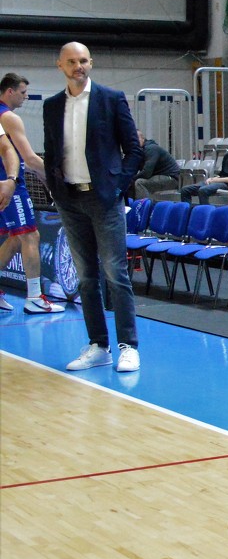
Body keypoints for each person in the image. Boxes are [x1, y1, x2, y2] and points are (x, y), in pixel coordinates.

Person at [43, 42, 145, 372]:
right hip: (70, 201)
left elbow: (134, 150)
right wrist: (56, 190)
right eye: (72, 61)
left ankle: (129, 346)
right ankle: (98, 345)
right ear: (60, 65)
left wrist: (116, 188)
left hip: (104, 199)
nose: (79, 66)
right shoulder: (52, 105)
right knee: (86, 278)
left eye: (84, 60)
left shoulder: (111, 99)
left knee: (116, 274)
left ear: (91, 63)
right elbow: (50, 152)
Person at [0, 72, 66, 314]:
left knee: (14, 237)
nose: (26, 97)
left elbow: (18, 157)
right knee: (30, 235)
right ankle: (35, 297)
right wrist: (58, 179)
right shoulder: (9, 118)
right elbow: (28, 158)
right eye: (23, 92)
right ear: (10, 91)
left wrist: (42, 176)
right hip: (10, 186)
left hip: (6, 182)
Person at [180, 128, 228, 203]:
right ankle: (188, 210)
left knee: (203, 190)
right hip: (220, 181)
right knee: (185, 190)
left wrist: (217, 180)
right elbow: (222, 174)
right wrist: (212, 179)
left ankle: (205, 210)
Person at [132, 130, 181, 198]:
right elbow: (133, 169)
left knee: (139, 183)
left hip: (170, 178)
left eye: (136, 138)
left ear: (143, 139)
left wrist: (132, 179)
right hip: (158, 176)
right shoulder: (139, 152)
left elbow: (147, 173)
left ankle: (144, 204)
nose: (134, 141)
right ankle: (130, 204)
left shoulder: (151, 149)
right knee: (129, 183)